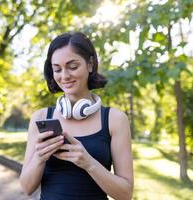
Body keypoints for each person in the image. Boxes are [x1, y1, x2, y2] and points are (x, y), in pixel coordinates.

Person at [19, 32, 133, 200]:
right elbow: (26, 188)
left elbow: (125, 194)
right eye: (57, 69)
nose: (64, 76)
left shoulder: (115, 119)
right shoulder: (41, 117)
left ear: (90, 64)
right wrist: (39, 157)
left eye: (72, 67)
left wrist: (89, 163)